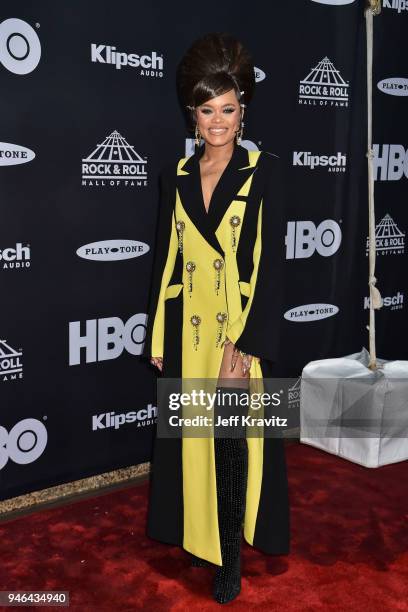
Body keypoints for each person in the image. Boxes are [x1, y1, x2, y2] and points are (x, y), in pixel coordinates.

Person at [142, 32, 290, 604]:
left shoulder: (265, 172)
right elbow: (166, 260)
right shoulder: (175, 175)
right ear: (193, 113)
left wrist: (250, 343)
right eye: (207, 110)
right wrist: (158, 332)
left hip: (237, 332)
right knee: (193, 441)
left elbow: (274, 265)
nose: (218, 121)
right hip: (186, 334)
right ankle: (198, 537)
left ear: (243, 109)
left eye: (228, 109)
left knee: (234, 442)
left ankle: (229, 558)